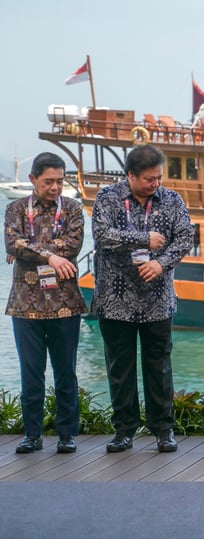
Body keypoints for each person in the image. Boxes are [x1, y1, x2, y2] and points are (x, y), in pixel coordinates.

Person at [92, 144, 193, 454]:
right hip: (114, 299)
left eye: (159, 178)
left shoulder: (172, 200)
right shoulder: (107, 198)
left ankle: (164, 430)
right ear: (131, 175)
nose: (155, 184)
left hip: (157, 300)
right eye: (149, 179)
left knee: (159, 366)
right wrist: (143, 239)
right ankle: (124, 431)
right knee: (119, 368)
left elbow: (186, 238)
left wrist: (160, 263)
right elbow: (101, 234)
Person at [5, 153, 87, 454]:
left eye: (59, 181)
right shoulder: (15, 208)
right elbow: (12, 243)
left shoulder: (73, 209)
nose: (55, 188)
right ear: (33, 180)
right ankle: (32, 435)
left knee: (66, 372)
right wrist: (51, 256)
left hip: (66, 303)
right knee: (31, 373)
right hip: (25, 305)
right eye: (48, 181)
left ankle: (67, 434)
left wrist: (30, 249)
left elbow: (73, 244)